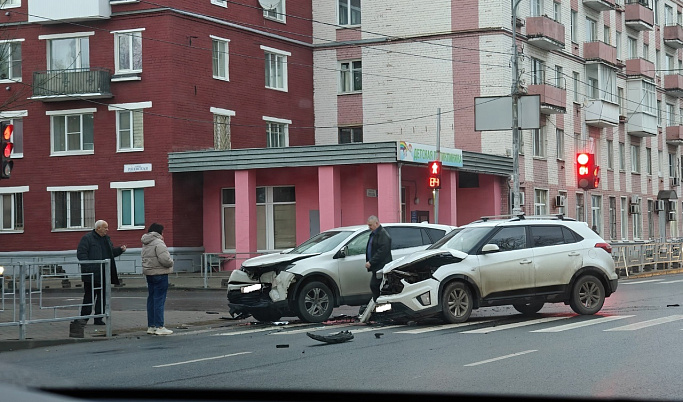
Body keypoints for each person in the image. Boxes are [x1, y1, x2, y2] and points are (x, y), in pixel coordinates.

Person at [76, 220, 127, 325]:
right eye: (105, 227)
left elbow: (111, 253)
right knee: (89, 297)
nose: (107, 230)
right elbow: (81, 254)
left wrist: (120, 250)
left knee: (102, 297)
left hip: (104, 273)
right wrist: (90, 267)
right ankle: (84, 318)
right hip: (91, 275)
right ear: (98, 228)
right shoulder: (87, 238)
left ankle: (98, 318)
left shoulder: (106, 239)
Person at [141, 223, 174, 336]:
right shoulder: (159, 243)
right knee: (159, 299)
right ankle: (160, 326)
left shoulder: (145, 242)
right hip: (160, 273)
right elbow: (165, 259)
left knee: (151, 299)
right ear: (159, 232)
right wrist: (171, 262)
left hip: (149, 273)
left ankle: (151, 326)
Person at [364, 215, 392, 301]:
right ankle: (377, 302)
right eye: (368, 225)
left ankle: (379, 302)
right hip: (376, 267)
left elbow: (382, 251)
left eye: (370, 225)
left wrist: (371, 262)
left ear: (377, 223)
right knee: (375, 285)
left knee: (375, 285)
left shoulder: (383, 235)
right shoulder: (374, 234)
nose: (369, 227)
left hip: (381, 266)